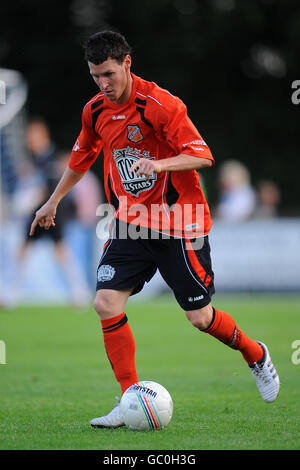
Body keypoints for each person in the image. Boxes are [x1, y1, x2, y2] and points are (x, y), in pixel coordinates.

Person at [30, 31, 280, 428]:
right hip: (130, 224)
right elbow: (81, 157)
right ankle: (128, 397)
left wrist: (162, 164)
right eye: (96, 76)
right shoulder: (95, 111)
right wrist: (53, 200)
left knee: (199, 318)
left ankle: (255, 354)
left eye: (109, 74)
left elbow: (202, 155)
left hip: (180, 225)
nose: (103, 84)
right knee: (105, 303)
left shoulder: (162, 105)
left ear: (127, 63)